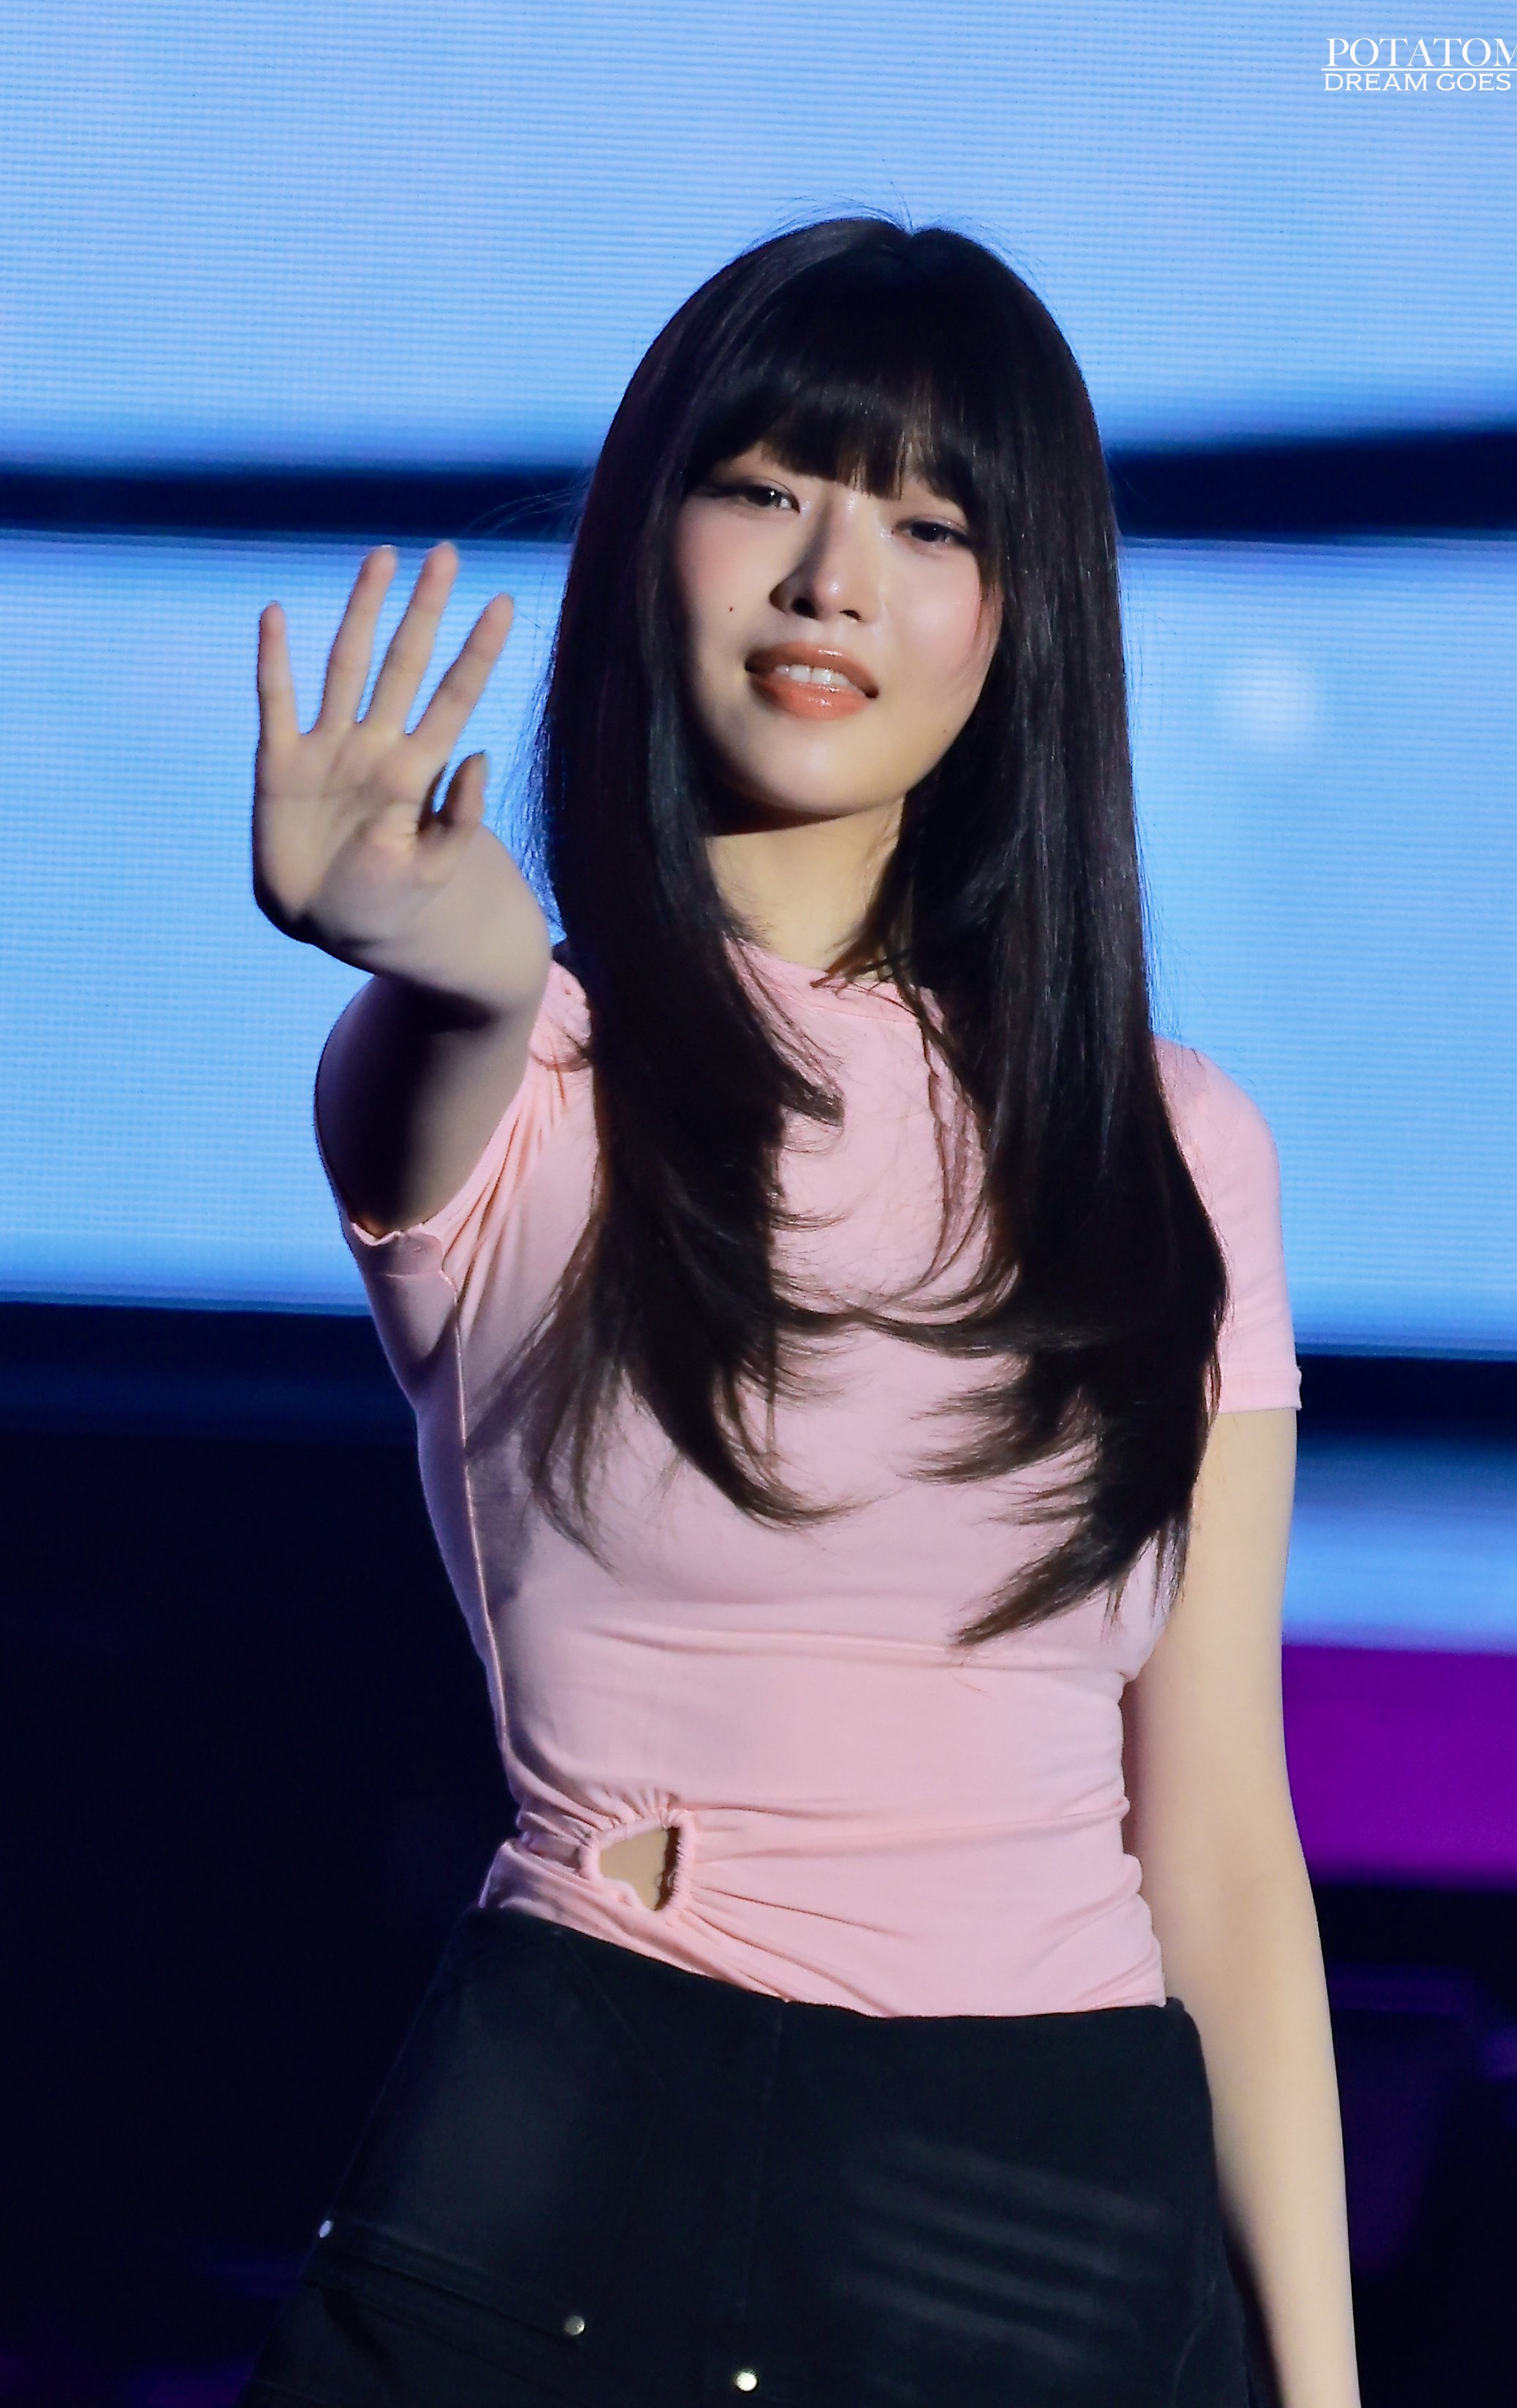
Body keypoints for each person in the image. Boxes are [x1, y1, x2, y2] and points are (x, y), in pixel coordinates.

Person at [240, 219, 1360, 2408]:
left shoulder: (1171, 1145)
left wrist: (1319, 2388)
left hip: (1038, 2209)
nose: (834, 577)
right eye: (766, 488)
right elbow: (458, 1026)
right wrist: (443, 944)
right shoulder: (528, 1067)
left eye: (932, 526)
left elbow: (1223, 1833)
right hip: (586, 2165)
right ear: (649, 542)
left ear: (1018, 620)